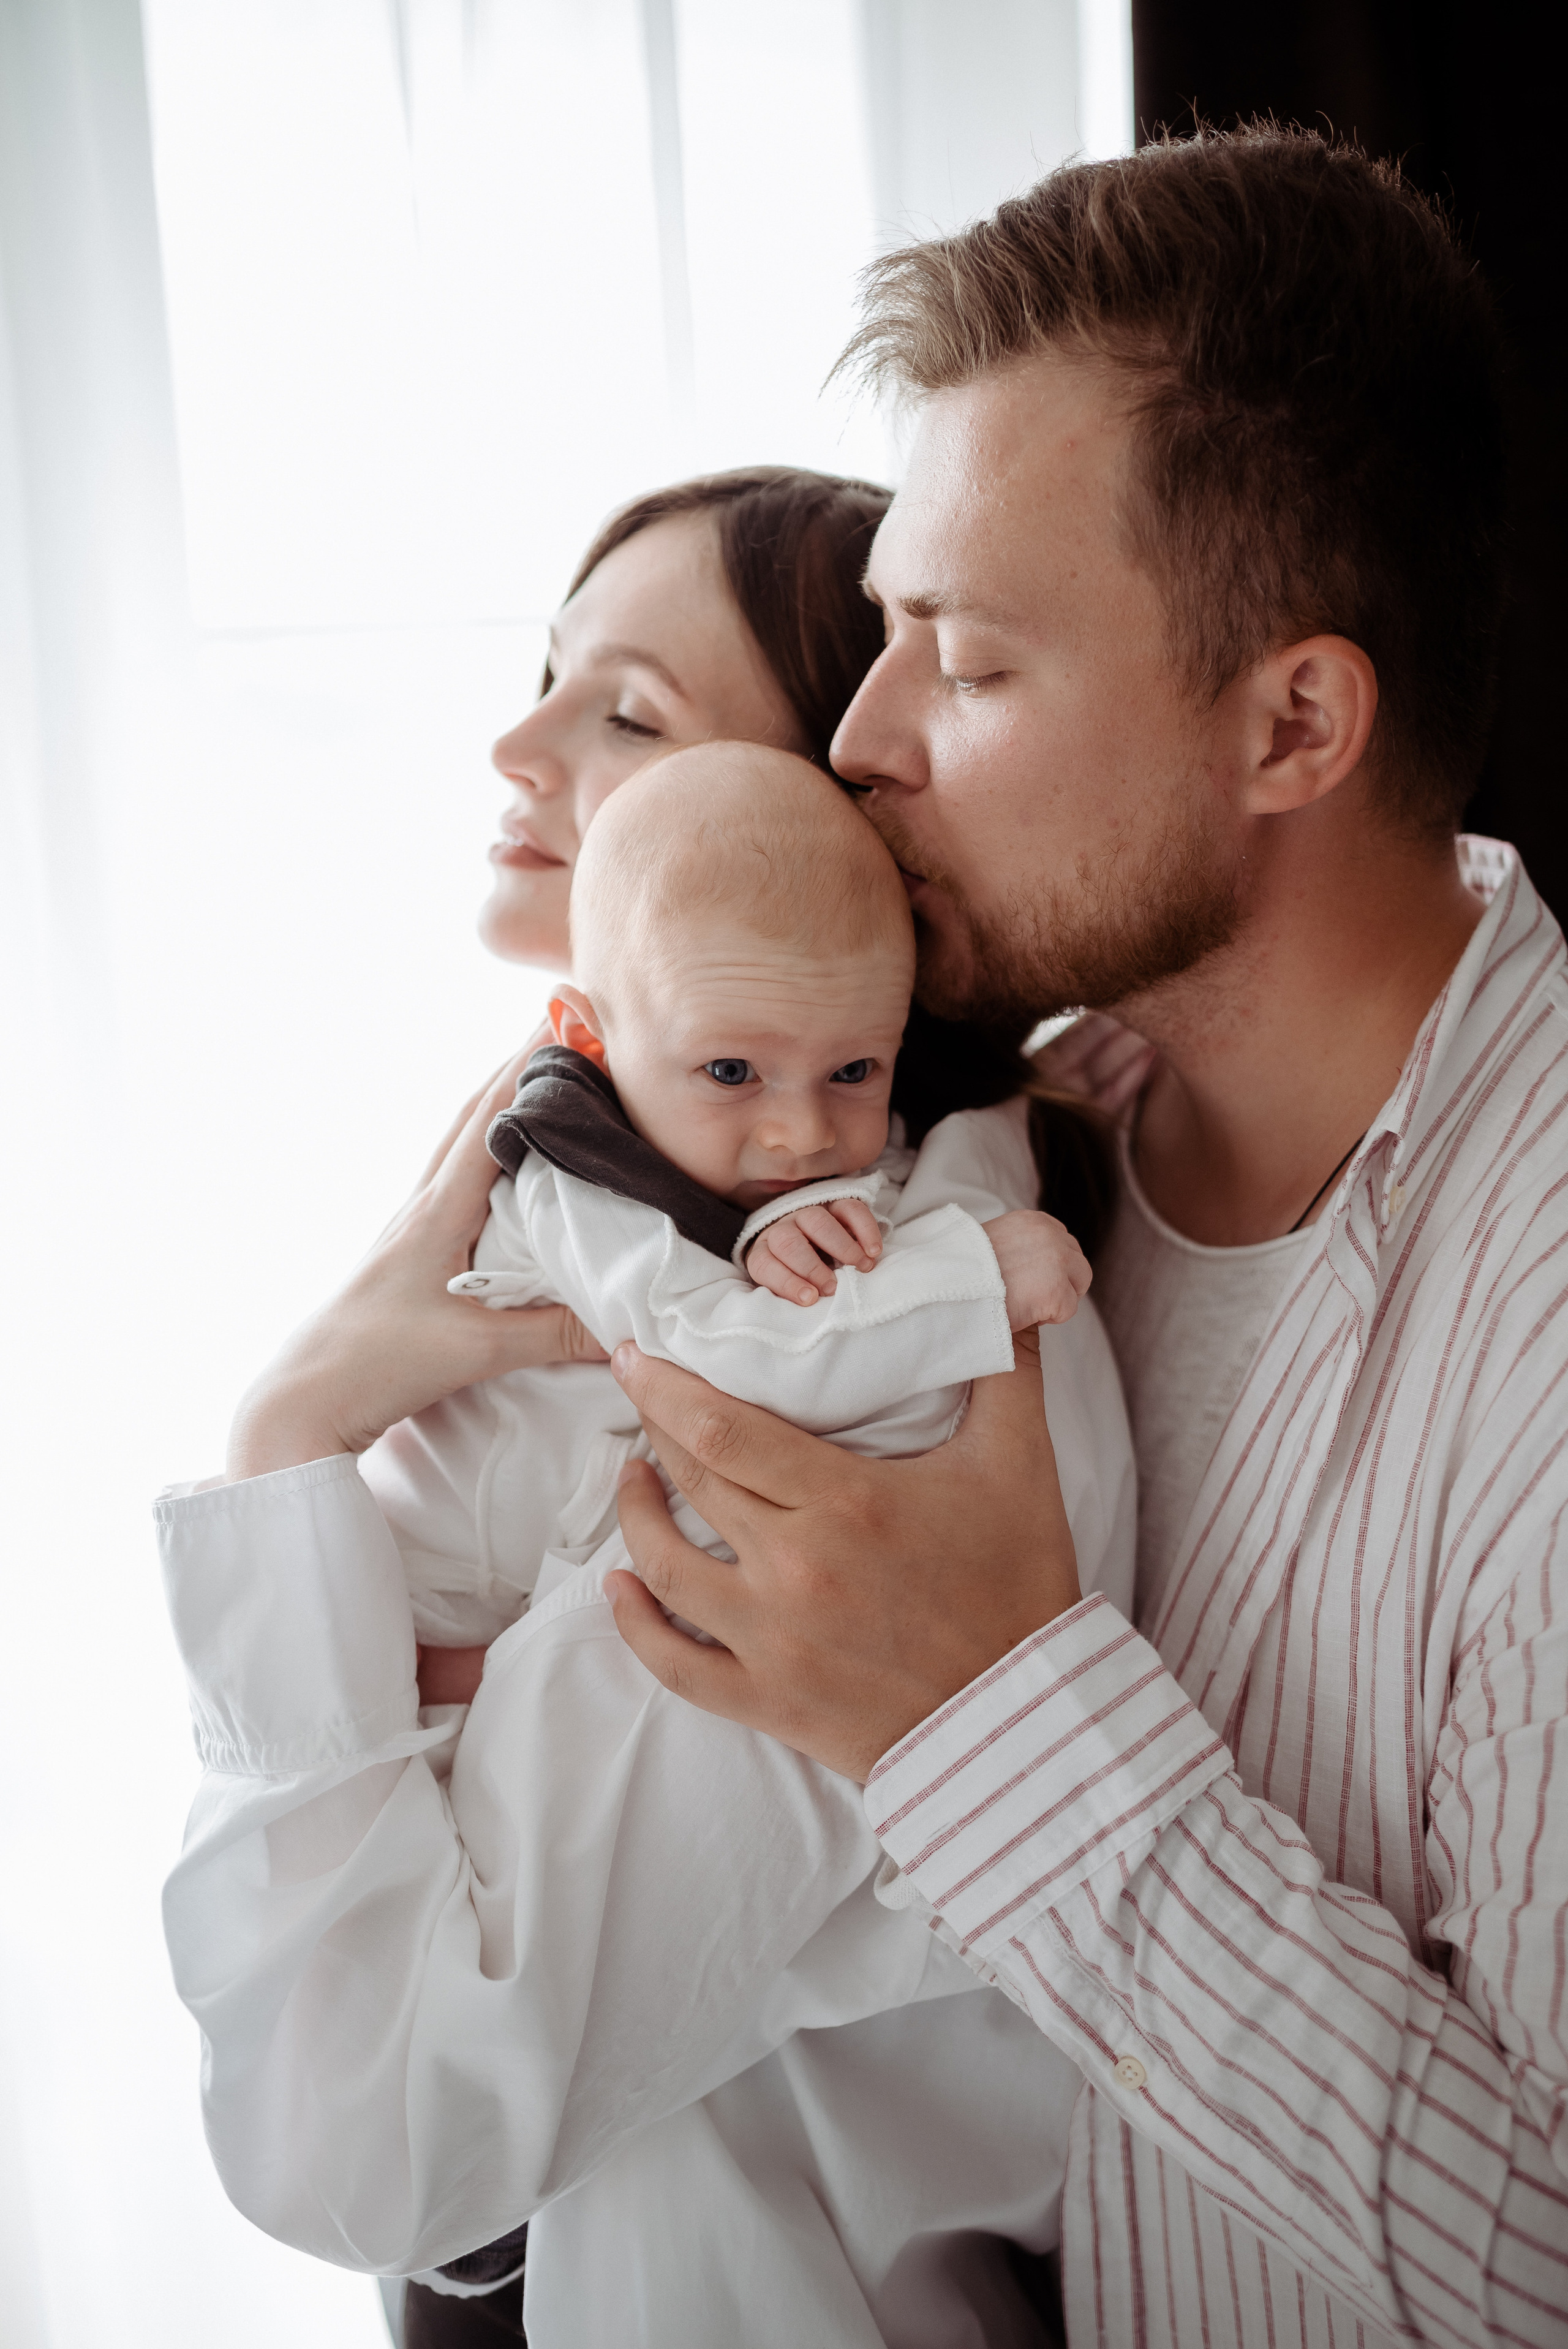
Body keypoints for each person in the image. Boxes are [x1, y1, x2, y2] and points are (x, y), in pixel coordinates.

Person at [598, 129, 1568, 2347]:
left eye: (969, 659)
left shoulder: (1547, 1330)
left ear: (1296, 721)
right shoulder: (980, 1147)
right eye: (886, 634)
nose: (861, 741)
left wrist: (991, 1715)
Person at [157, 477, 1130, 2345]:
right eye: (547, 674)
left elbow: (362, 2129)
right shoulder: (595, 1226)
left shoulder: (895, 1368)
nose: (514, 744)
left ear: (856, 845)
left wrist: (291, 1447)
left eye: (627, 713)